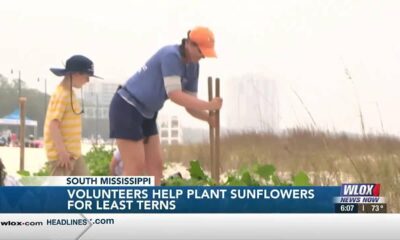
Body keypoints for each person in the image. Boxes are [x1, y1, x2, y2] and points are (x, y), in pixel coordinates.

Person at [109, 26, 223, 185]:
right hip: (127, 106)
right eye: (201, 51)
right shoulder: (171, 55)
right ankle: (122, 206)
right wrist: (209, 105)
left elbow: (189, 104)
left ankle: (153, 206)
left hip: (148, 113)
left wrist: (207, 118)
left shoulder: (193, 66)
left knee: (156, 166)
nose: (203, 56)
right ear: (189, 43)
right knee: (135, 167)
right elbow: (175, 95)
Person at [44, 55, 101, 176]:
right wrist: (62, 152)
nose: (88, 81)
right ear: (75, 74)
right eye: (86, 76)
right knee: (58, 193)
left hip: (74, 154)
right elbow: (53, 125)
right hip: (62, 156)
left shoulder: (70, 93)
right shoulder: (62, 94)